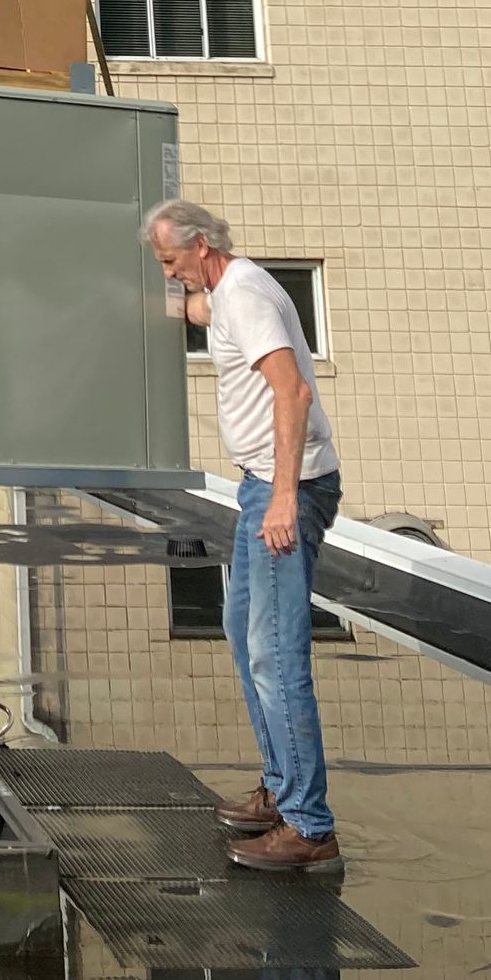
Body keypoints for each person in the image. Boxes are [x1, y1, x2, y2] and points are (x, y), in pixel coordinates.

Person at [144, 198, 344, 875]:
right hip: (262, 484)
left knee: (277, 652)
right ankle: (280, 791)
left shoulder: (250, 294)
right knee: (242, 628)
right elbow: (199, 314)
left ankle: (309, 826)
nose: (170, 275)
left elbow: (293, 393)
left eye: (171, 262)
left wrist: (284, 497)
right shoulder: (225, 295)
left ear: (203, 246)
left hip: (289, 487)